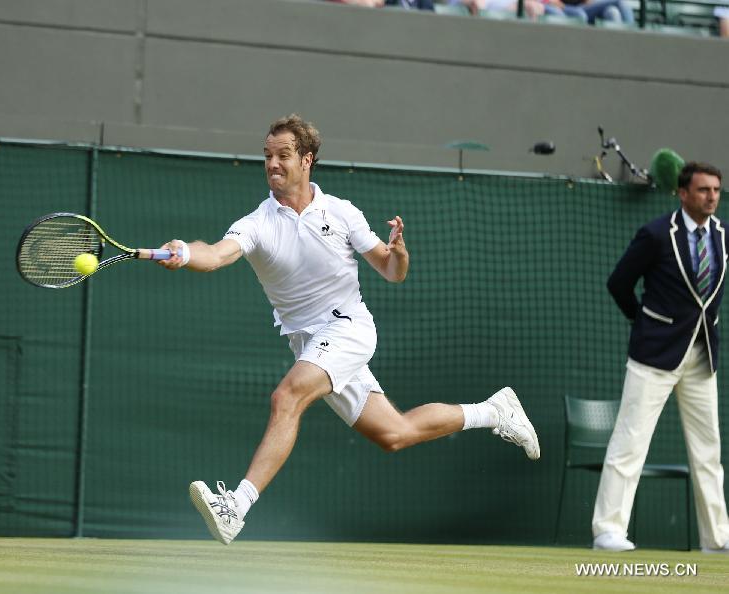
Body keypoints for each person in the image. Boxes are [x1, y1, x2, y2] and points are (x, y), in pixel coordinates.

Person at [157, 114, 540, 545]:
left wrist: (399, 253)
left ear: (307, 159)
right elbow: (218, 253)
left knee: (287, 397)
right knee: (394, 433)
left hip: (348, 330)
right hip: (310, 343)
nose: (273, 164)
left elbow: (392, 271)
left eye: (284, 155)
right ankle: (494, 411)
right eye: (267, 156)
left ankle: (236, 507)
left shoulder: (341, 213)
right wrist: (187, 252)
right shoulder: (257, 223)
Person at [593, 162, 729, 553]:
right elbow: (618, 283)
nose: (712, 197)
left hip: (702, 357)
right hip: (653, 356)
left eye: (716, 190)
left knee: (709, 451)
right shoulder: (655, 234)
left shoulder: (722, 235)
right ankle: (608, 532)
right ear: (682, 194)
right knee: (630, 441)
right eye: (703, 190)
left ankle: (717, 539)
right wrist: (645, 321)